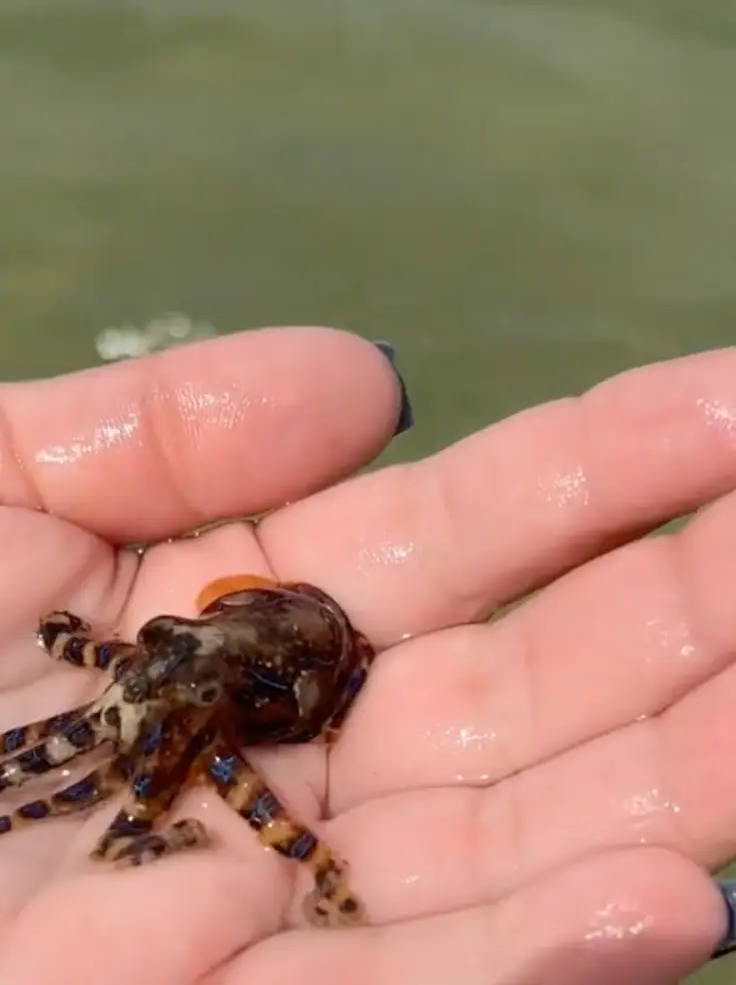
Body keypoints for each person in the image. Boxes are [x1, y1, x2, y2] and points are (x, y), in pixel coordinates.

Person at [0, 324, 734, 985]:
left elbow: (267, 810)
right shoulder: (157, 672)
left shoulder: (243, 681)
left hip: (295, 641)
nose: (138, 676)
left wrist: (323, 874)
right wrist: (322, 874)